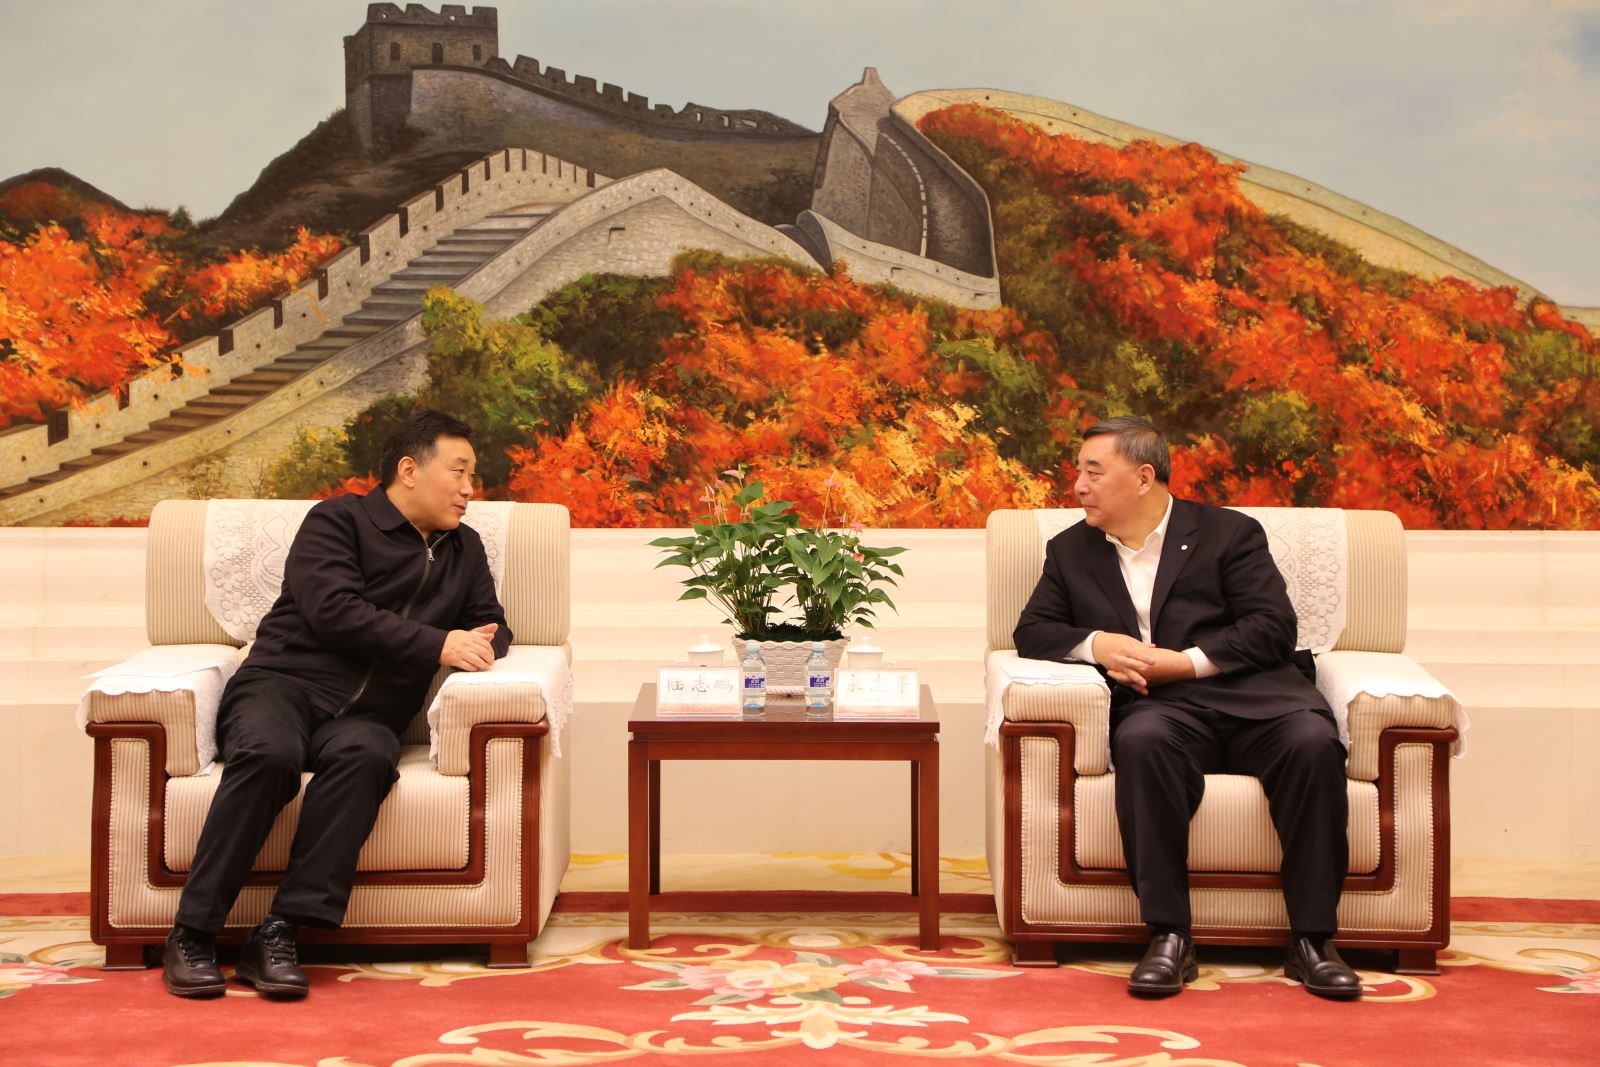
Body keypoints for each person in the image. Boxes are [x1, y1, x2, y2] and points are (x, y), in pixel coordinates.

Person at [161, 410, 512, 999]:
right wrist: (438, 643)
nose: (469, 488)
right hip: (281, 685)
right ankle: (192, 934)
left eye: (471, 476)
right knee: (269, 756)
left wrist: (480, 643)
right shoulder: (337, 520)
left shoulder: (463, 548)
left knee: (368, 758)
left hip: (369, 715)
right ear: (409, 470)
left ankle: (278, 933)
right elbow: (333, 611)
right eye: (459, 472)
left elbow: (493, 624)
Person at [1014, 416, 1361, 1000]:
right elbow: (1033, 631)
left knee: (1311, 745)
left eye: (1093, 472)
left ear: (1143, 477)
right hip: (1163, 708)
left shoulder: (1229, 533)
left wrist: (1188, 662)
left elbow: (1273, 627)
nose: (1078, 486)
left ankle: (1313, 941)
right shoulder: (1071, 550)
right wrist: (1098, 644)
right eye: (1079, 472)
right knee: (1141, 743)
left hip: (1258, 697)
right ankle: (1169, 936)